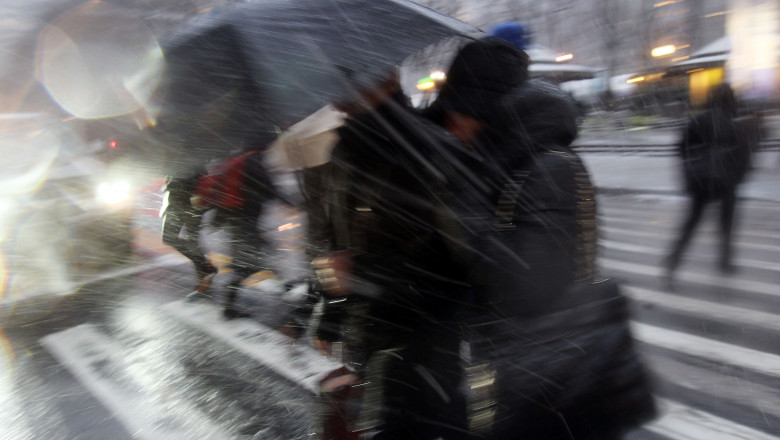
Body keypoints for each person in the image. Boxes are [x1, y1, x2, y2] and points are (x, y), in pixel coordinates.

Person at [430, 38, 655, 440]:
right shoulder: (500, 167)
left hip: (553, 382)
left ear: (483, 108)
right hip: (521, 374)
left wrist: (463, 205)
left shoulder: (550, 168)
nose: (452, 125)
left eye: (457, 112)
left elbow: (526, 287)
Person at [313, 71, 473, 439]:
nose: (337, 97)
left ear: (389, 81)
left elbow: (458, 252)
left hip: (418, 326)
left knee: (424, 416)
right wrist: (331, 311)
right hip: (380, 322)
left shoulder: (423, 146)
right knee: (411, 416)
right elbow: (334, 240)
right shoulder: (345, 150)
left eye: (350, 81)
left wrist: (361, 276)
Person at [664, 83, 753, 283]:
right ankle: (724, 260)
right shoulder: (731, 121)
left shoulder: (699, 119)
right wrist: (736, 174)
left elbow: (681, 148)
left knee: (692, 222)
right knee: (726, 222)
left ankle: (674, 258)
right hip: (725, 181)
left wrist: (694, 168)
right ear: (729, 99)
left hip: (702, 181)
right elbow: (742, 153)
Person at [161, 166, 217, 297]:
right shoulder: (177, 158)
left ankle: (204, 276)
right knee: (169, 238)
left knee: (192, 240)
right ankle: (205, 267)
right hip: (176, 201)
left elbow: (197, 175)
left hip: (191, 202)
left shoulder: (191, 160)